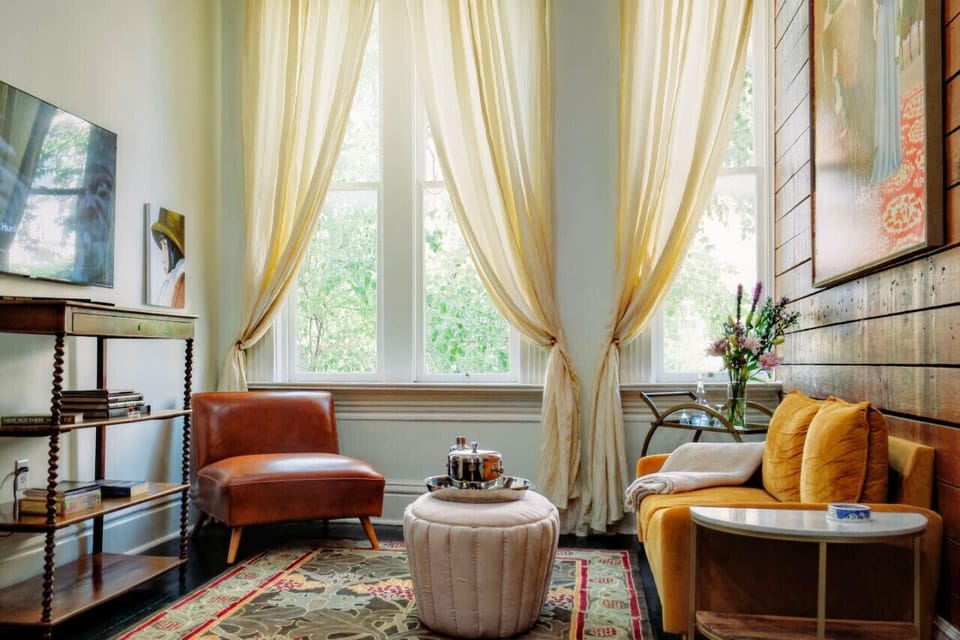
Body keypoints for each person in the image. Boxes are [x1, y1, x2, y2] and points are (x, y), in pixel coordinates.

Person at [151, 207, 185, 308]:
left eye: (165, 246)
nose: (162, 258)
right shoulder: (171, 281)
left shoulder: (182, 282)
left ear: (174, 248)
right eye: (162, 247)